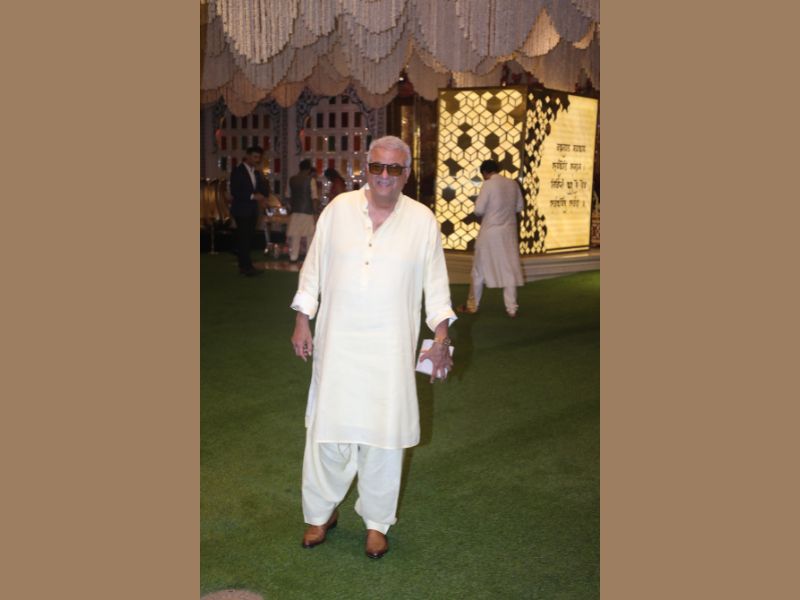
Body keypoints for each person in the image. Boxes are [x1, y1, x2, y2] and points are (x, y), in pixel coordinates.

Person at [289, 136, 456, 559]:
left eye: (394, 169)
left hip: (390, 348)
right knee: (327, 432)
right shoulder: (338, 209)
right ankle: (319, 513)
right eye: (377, 167)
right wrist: (302, 319)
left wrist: (441, 338)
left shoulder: (422, 221)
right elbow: (313, 269)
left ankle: (377, 522)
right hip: (338, 343)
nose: (384, 176)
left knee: (385, 437)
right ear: (366, 168)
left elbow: (436, 287)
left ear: (406, 173)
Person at [457, 159, 524, 317]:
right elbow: (519, 207)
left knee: (478, 270)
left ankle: (472, 305)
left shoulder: (488, 185)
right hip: (508, 234)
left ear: (484, 173)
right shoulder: (513, 184)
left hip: (490, 233)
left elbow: (479, 210)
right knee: (509, 269)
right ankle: (512, 308)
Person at [229, 146, 270, 276]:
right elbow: (235, 191)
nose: (257, 160)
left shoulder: (256, 172)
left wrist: (262, 176)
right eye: (255, 157)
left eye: (259, 158)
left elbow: (262, 190)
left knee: (248, 238)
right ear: (247, 156)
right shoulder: (238, 171)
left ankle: (246, 265)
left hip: (252, 209)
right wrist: (252, 196)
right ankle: (245, 267)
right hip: (241, 209)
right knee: (244, 238)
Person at [285, 159, 318, 262]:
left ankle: (293, 257)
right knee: (309, 235)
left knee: (295, 235)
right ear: (308, 169)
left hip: (295, 211)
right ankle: (309, 258)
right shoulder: (311, 180)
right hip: (307, 211)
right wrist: (315, 212)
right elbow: (314, 198)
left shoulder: (292, 179)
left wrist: (290, 208)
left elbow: (288, 196)